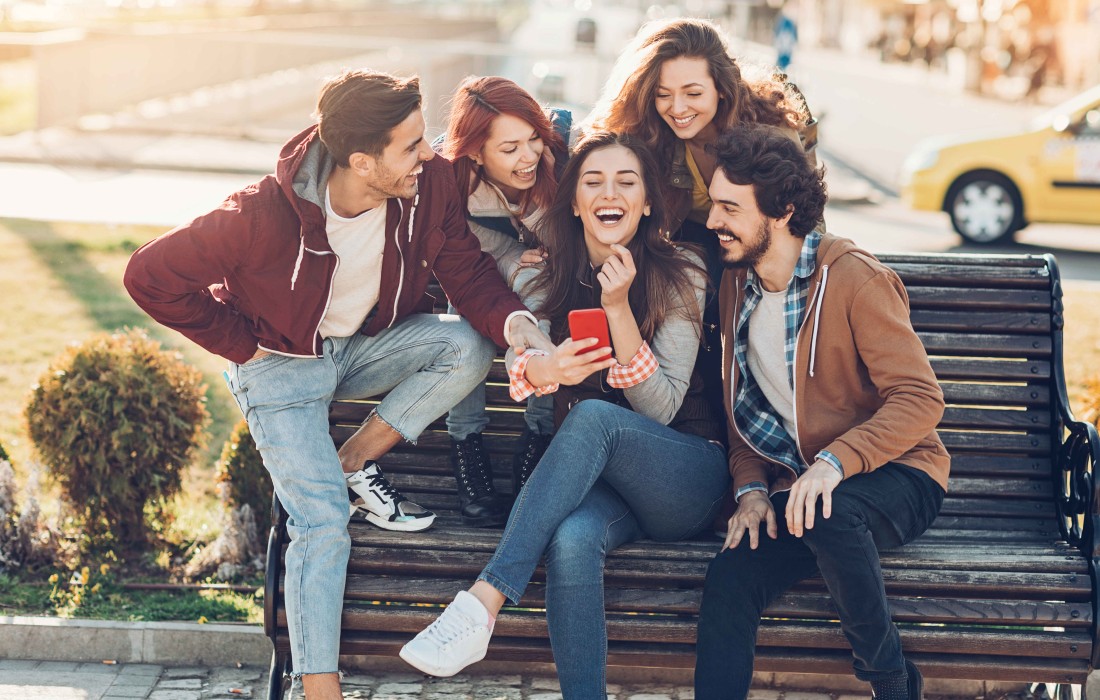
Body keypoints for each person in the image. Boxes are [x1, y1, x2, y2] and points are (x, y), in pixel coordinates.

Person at [123, 70, 549, 700]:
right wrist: (240, 344)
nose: (429, 154)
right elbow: (148, 275)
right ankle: (321, 689)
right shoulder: (258, 215)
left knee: (464, 343)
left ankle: (350, 462)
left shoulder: (427, 185)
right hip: (278, 365)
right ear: (361, 161)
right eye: (411, 145)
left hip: (360, 347)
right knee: (322, 522)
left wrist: (520, 328)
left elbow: (467, 273)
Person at [399, 132, 730, 697]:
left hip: (685, 477)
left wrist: (617, 309)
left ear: (648, 202)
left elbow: (662, 408)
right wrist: (546, 367)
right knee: (571, 541)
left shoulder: (684, 272)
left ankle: (483, 602)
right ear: (574, 203)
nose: (610, 194)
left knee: (594, 417)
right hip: (605, 490)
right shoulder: (542, 275)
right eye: (593, 182)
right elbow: (524, 358)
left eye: (627, 182)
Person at [692, 124, 950, 700]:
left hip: (901, 475)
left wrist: (834, 462)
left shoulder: (854, 278)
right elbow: (744, 414)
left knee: (825, 514)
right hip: (805, 492)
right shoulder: (736, 285)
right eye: (714, 203)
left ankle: (891, 682)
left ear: (782, 210)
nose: (712, 221)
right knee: (731, 572)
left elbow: (920, 398)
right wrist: (751, 490)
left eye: (730, 208)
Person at [583, 16, 816, 417]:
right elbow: (592, 171)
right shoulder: (649, 132)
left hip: (760, 253)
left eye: (693, 93)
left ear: (721, 88)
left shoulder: (769, 134)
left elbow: (804, 225)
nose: (677, 109)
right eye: (663, 94)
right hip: (691, 258)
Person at [437, 76, 571, 527]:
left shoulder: (561, 155)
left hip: (552, 270)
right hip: (483, 269)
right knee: (463, 311)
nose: (528, 155)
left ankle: (539, 435)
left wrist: (535, 208)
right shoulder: (451, 179)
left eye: (533, 139)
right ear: (476, 151)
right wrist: (512, 258)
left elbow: (570, 244)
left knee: (545, 293)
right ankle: (466, 442)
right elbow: (466, 254)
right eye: (510, 148)